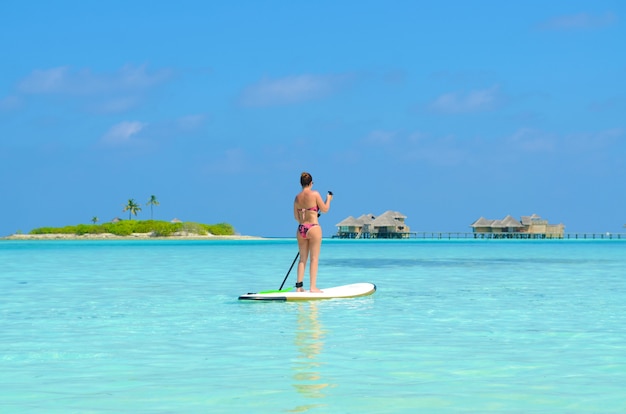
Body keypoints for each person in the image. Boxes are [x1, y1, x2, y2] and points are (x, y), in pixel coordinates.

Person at [293, 172, 332, 293]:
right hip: (314, 227)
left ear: (301, 183)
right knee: (314, 259)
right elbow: (325, 209)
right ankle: (313, 287)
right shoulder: (315, 194)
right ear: (311, 183)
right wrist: (329, 199)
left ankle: (299, 287)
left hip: (301, 229)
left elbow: (296, 217)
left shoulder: (297, 197)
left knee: (302, 259)